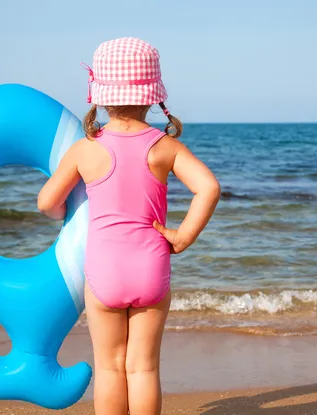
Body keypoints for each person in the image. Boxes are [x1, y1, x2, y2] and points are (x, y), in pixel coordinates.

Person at [37, 37, 220, 415]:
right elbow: (209, 187)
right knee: (143, 367)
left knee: (109, 367)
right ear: (153, 96)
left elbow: (46, 202)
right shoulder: (164, 147)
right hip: (150, 266)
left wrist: (64, 216)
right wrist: (182, 237)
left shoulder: (86, 149)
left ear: (100, 96)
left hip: (104, 271)